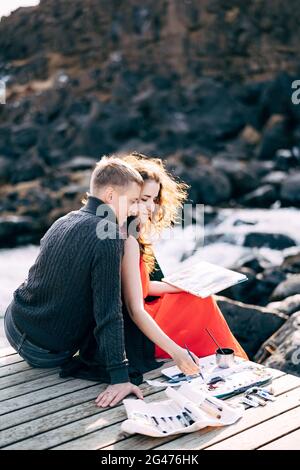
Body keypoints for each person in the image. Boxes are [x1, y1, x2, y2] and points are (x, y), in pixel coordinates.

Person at [4, 155, 199, 408]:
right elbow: (108, 313)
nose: (133, 209)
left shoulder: (64, 220)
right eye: (131, 201)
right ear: (110, 196)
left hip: (14, 321)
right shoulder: (109, 238)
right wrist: (119, 377)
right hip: (43, 352)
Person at [120, 152, 248, 368]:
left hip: (143, 307)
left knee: (198, 296)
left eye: (154, 199)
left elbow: (142, 286)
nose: (151, 207)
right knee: (201, 303)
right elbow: (133, 302)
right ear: (130, 196)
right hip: (138, 324)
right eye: (144, 199)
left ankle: (224, 360)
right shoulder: (126, 238)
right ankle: (225, 361)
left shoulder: (133, 230)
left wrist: (183, 286)